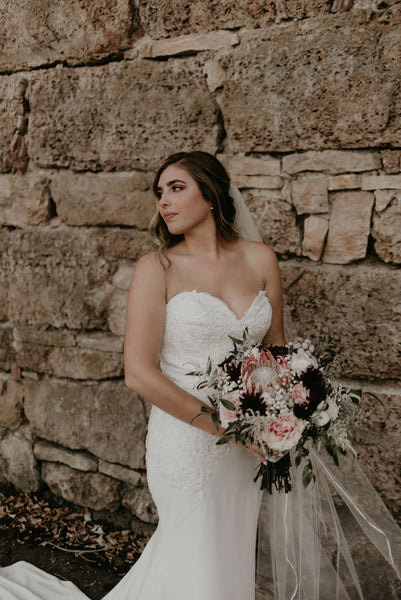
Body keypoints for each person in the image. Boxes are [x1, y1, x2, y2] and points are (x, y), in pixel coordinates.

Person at [0, 151, 400, 599]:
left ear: (210, 194)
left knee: (225, 551)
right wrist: (225, 426)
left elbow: (275, 353)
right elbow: (137, 372)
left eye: (176, 188)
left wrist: (290, 410)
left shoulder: (261, 259)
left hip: (245, 446)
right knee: (195, 548)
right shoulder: (159, 268)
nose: (164, 202)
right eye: (159, 193)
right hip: (186, 441)